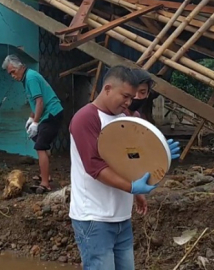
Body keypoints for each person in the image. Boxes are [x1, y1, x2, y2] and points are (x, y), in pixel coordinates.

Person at [69, 65, 181, 270]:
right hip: (94, 217)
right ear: (108, 88)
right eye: (126, 96)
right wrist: (131, 187)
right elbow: (95, 167)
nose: (129, 102)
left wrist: (160, 154)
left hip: (121, 217)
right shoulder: (86, 118)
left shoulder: (129, 118)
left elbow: (133, 160)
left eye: (132, 97)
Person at [2, 54, 64, 194]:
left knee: (40, 146)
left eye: (13, 72)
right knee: (40, 142)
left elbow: (40, 102)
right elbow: (34, 103)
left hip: (52, 113)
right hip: (48, 114)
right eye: (10, 73)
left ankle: (45, 183)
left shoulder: (30, 78)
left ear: (20, 67)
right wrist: (31, 118)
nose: (12, 76)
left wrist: (36, 122)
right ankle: (45, 174)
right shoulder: (27, 78)